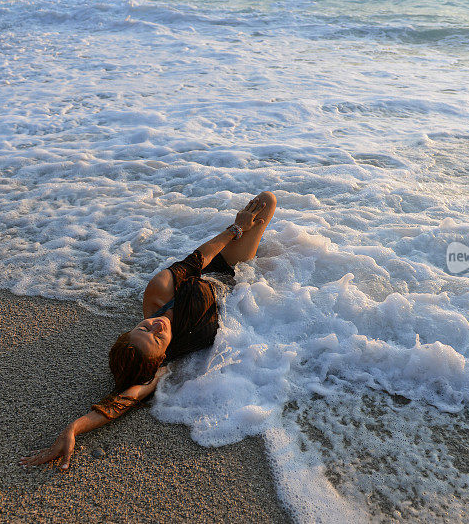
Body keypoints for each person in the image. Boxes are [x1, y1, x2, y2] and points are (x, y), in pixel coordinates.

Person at [19, 191, 277, 470]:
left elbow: (199, 259)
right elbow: (124, 400)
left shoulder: (160, 291)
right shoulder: (164, 363)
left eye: (143, 327)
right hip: (239, 297)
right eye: (157, 337)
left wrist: (237, 228)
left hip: (224, 267)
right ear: (161, 356)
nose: (156, 325)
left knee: (267, 200)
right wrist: (72, 429)